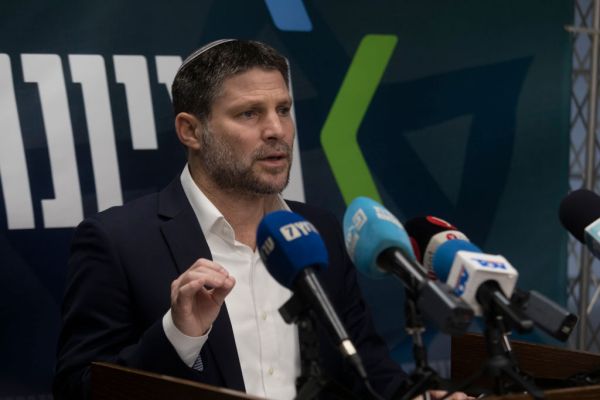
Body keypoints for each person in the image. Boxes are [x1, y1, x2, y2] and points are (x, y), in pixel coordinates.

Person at [53, 39, 471, 400]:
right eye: (249, 114)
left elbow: (367, 370)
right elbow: (78, 390)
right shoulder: (119, 241)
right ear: (191, 131)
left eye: (283, 109)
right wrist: (178, 336)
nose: (277, 130)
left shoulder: (319, 231)